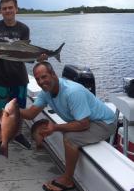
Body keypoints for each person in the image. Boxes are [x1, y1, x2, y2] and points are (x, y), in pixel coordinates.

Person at [7, 61, 117, 191]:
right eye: (37, 79)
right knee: (54, 129)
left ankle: (68, 180)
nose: (41, 82)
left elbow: (84, 124)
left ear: (53, 74)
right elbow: (31, 114)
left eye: (44, 77)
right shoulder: (45, 92)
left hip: (105, 123)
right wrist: (10, 109)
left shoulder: (72, 92)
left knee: (70, 138)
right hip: (87, 120)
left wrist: (56, 127)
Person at [0, 0, 33, 153]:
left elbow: (27, 53)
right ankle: (0, 136)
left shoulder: (24, 29)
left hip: (19, 76)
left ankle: (18, 135)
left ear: (16, 9)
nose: (7, 11)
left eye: (10, 7)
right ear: (0, 11)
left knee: (18, 110)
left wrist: (37, 57)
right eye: (4, 8)